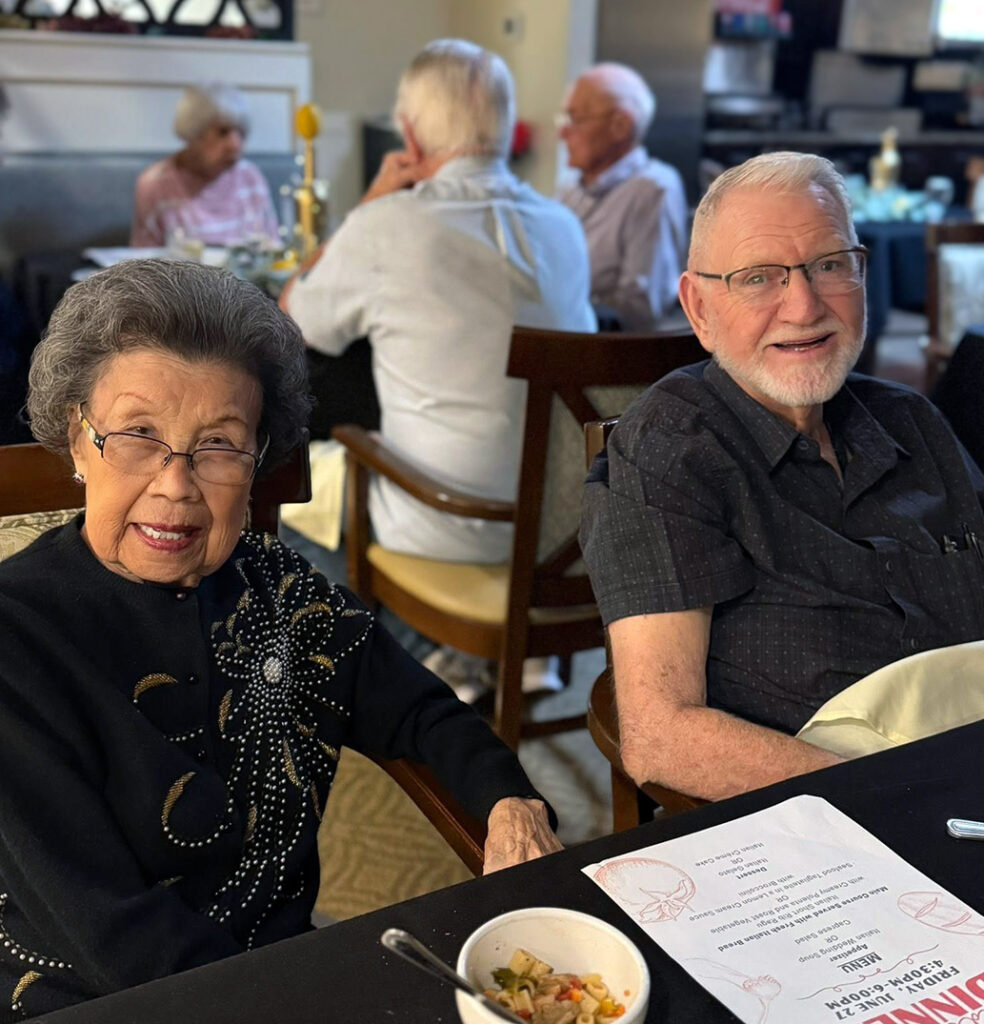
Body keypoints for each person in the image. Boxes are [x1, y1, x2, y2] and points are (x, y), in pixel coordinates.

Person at [0, 259, 561, 1018]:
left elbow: (421, 708)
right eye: (138, 435)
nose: (176, 483)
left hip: (284, 962)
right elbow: (109, 932)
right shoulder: (18, 637)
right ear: (76, 440)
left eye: (220, 445)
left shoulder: (280, 589)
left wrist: (509, 804)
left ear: (258, 460)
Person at [580, 151, 984, 803]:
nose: (804, 304)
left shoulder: (913, 420)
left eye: (829, 265)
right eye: (760, 277)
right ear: (698, 307)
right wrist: (906, 801)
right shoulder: (672, 451)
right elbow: (661, 735)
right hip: (844, 828)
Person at [282, 39, 595, 700]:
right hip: (561, 531)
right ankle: (517, 652)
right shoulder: (564, 227)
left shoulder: (387, 225)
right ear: (505, 128)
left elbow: (296, 318)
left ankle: (441, 650)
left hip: (450, 521)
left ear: (412, 133)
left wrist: (369, 203)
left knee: (276, 491)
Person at [557, 63, 687, 330]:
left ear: (620, 125)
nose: (563, 133)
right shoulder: (569, 187)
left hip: (606, 353)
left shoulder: (652, 189)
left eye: (575, 119)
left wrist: (562, 306)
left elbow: (642, 307)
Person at [131, 82, 279, 247]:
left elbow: (273, 251)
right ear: (193, 131)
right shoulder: (154, 184)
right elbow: (143, 263)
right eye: (223, 132)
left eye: (241, 133)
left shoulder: (251, 177)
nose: (235, 144)